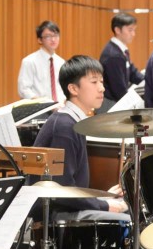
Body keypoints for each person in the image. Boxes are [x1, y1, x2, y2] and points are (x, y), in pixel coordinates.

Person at [32, 56, 129, 219]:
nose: (102, 88)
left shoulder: (72, 121)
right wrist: (104, 205)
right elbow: (63, 191)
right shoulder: (64, 127)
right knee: (127, 220)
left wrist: (101, 197)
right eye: (94, 82)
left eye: (101, 81)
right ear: (73, 88)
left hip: (68, 207)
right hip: (56, 215)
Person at [99, 12, 145, 104]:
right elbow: (119, 90)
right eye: (130, 30)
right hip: (110, 103)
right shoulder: (114, 55)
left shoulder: (121, 50)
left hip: (116, 99)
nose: (133, 34)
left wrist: (149, 81)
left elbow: (133, 73)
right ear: (117, 30)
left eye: (134, 30)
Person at [17, 20, 66, 102]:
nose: (53, 39)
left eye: (56, 35)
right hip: (39, 107)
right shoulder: (29, 61)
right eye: (48, 36)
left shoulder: (61, 62)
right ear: (40, 40)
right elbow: (23, 89)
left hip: (60, 106)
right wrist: (42, 103)